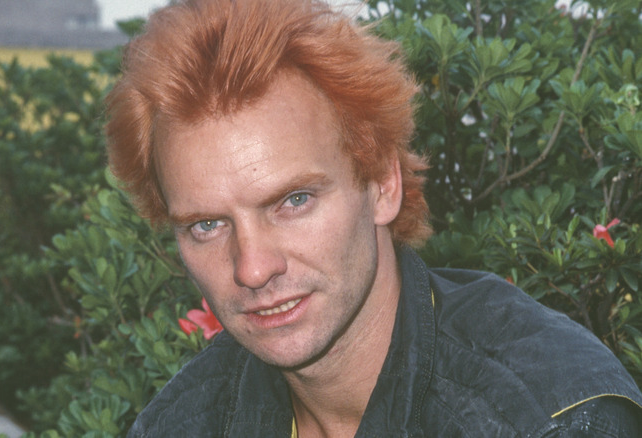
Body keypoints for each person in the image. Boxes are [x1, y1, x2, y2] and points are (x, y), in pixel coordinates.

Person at [105, 0, 642, 436]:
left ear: (383, 183)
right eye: (206, 225)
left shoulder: (548, 419)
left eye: (293, 201)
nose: (252, 268)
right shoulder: (181, 423)